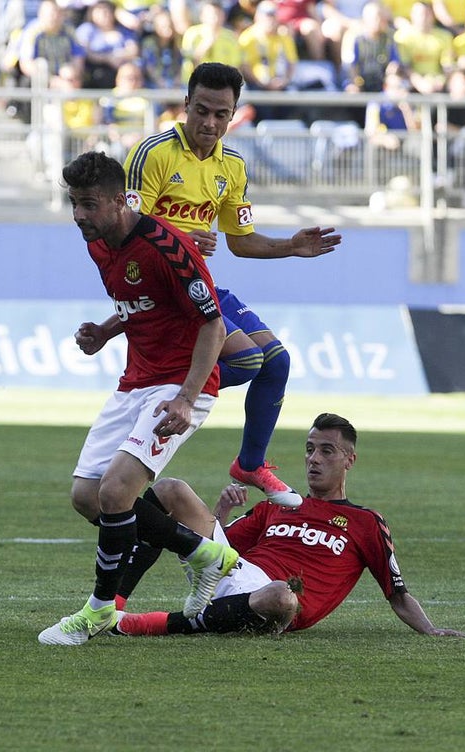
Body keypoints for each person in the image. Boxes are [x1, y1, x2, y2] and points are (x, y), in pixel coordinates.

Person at [38, 150, 237, 647]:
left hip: (180, 384)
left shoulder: (167, 248)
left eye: (88, 204)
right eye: (74, 204)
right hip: (136, 380)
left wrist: (187, 399)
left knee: (115, 492)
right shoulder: (99, 242)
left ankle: (98, 612)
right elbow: (142, 305)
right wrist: (107, 330)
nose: (79, 215)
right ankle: (205, 554)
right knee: (88, 496)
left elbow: (213, 324)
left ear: (118, 200)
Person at [120, 62, 341, 509]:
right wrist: (179, 237)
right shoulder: (154, 153)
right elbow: (123, 228)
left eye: (222, 114)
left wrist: (290, 246)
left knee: (276, 362)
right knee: (247, 359)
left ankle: (249, 463)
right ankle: (169, 394)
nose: (210, 123)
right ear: (185, 105)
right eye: (201, 110)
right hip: (160, 293)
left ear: (234, 113)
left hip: (199, 288)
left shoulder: (233, 165)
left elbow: (240, 242)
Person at [113, 413, 465, 638]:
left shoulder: (365, 522)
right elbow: (215, 551)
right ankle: (112, 604)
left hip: (272, 601)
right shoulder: (278, 505)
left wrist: (430, 629)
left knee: (283, 596)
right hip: (233, 574)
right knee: (169, 489)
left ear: (350, 459)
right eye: (309, 449)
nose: (313, 459)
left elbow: (397, 593)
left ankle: (153, 624)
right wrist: (220, 513)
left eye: (326, 451)